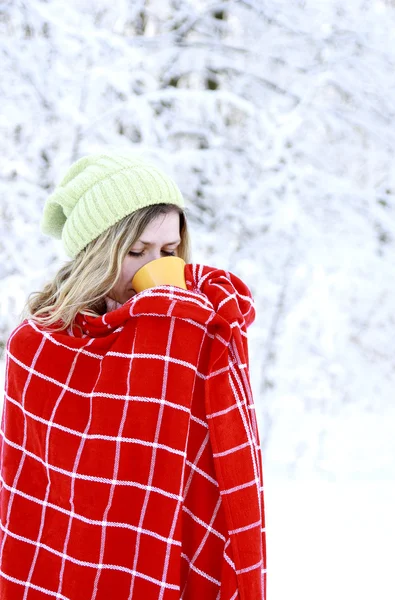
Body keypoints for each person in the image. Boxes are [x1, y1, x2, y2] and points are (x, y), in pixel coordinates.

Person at [0, 153, 266, 599]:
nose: (154, 267)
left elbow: (213, 461)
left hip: (176, 548)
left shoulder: (196, 330)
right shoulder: (39, 345)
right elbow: (31, 485)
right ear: (96, 253)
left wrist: (179, 333)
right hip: (73, 557)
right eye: (136, 251)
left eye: (168, 251)